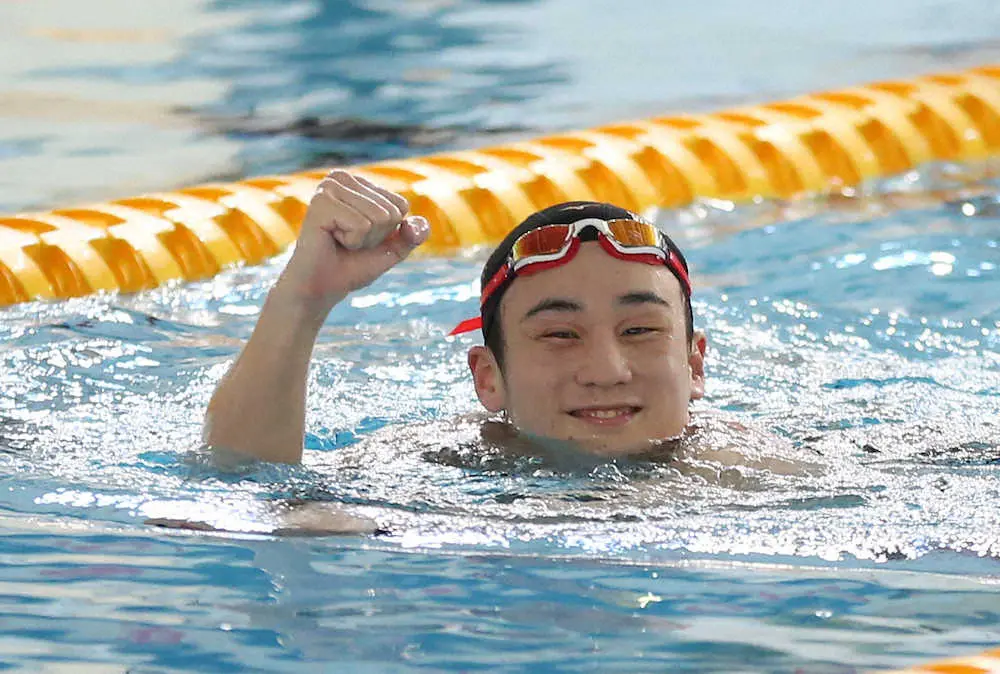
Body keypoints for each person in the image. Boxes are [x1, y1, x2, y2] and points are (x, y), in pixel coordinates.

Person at [203, 169, 708, 464]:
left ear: (696, 366)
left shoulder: (761, 478)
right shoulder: (431, 462)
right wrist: (301, 300)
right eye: (560, 334)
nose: (606, 371)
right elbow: (242, 482)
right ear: (489, 379)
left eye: (639, 330)